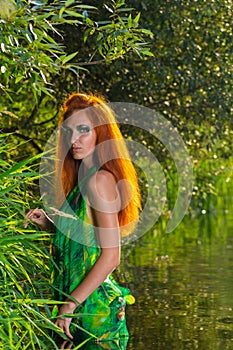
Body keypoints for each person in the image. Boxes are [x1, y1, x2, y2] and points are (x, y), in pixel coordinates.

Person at [25, 92, 141, 348]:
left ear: (101, 133)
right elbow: (85, 236)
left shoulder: (100, 180)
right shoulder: (82, 181)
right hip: (77, 311)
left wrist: (69, 305)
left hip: (94, 316)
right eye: (68, 131)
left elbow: (111, 256)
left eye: (83, 130)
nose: (74, 139)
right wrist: (50, 224)